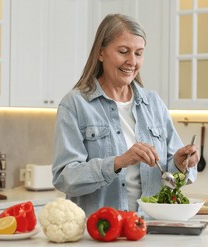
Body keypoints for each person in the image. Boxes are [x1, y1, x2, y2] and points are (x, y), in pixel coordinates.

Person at [52, 13, 199, 216]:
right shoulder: (75, 104)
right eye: (123, 51)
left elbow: (169, 179)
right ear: (101, 53)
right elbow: (65, 178)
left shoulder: (154, 103)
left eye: (139, 54)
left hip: (149, 228)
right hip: (100, 231)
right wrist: (118, 162)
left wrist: (180, 164)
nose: (132, 61)